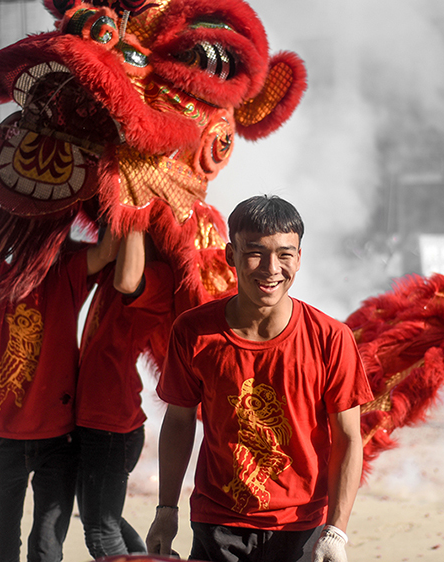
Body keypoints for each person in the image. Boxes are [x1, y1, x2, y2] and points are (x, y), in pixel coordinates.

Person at [145, 195, 373, 562]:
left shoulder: (331, 338)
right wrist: (165, 510)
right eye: (255, 252)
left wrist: (336, 530)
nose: (271, 268)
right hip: (218, 522)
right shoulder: (194, 331)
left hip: (302, 528)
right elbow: (179, 420)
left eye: (285, 254)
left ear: (299, 258)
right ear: (229, 254)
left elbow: (348, 438)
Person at [0, 226, 120, 562]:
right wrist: (18, 205)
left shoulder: (66, 272)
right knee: (1, 549)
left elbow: (109, 248)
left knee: (47, 550)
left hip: (58, 439)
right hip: (2, 438)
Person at [75, 230, 175, 557]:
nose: (109, 226)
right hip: (98, 419)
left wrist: (132, 207)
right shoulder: (112, 265)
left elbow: (128, 282)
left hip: (112, 424)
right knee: (107, 521)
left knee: (101, 534)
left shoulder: (158, 277)